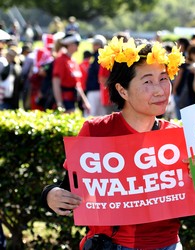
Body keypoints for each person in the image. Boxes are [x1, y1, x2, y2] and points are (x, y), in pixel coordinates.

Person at [41, 37, 186, 249]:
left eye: (164, 78)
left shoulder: (177, 137)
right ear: (122, 90)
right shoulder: (96, 132)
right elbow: (69, 188)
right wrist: (50, 195)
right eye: (147, 81)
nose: (160, 90)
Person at [52, 32, 90, 113]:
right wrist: (59, 103)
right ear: (70, 44)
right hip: (64, 101)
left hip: (73, 99)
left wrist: (85, 102)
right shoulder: (61, 60)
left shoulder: (73, 61)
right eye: (77, 43)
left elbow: (77, 84)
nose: (78, 46)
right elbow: (56, 83)